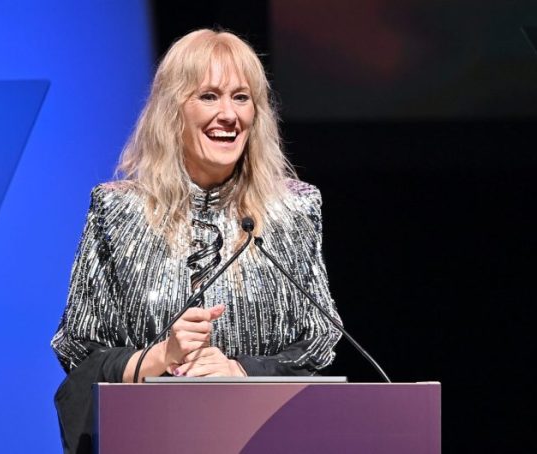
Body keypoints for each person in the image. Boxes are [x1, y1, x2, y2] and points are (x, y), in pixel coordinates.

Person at [51, 29, 342, 453]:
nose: (229, 115)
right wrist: (159, 358)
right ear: (172, 111)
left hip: (265, 438)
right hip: (150, 437)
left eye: (241, 98)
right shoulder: (116, 210)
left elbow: (319, 339)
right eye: (209, 96)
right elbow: (79, 347)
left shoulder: (294, 209)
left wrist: (238, 372)